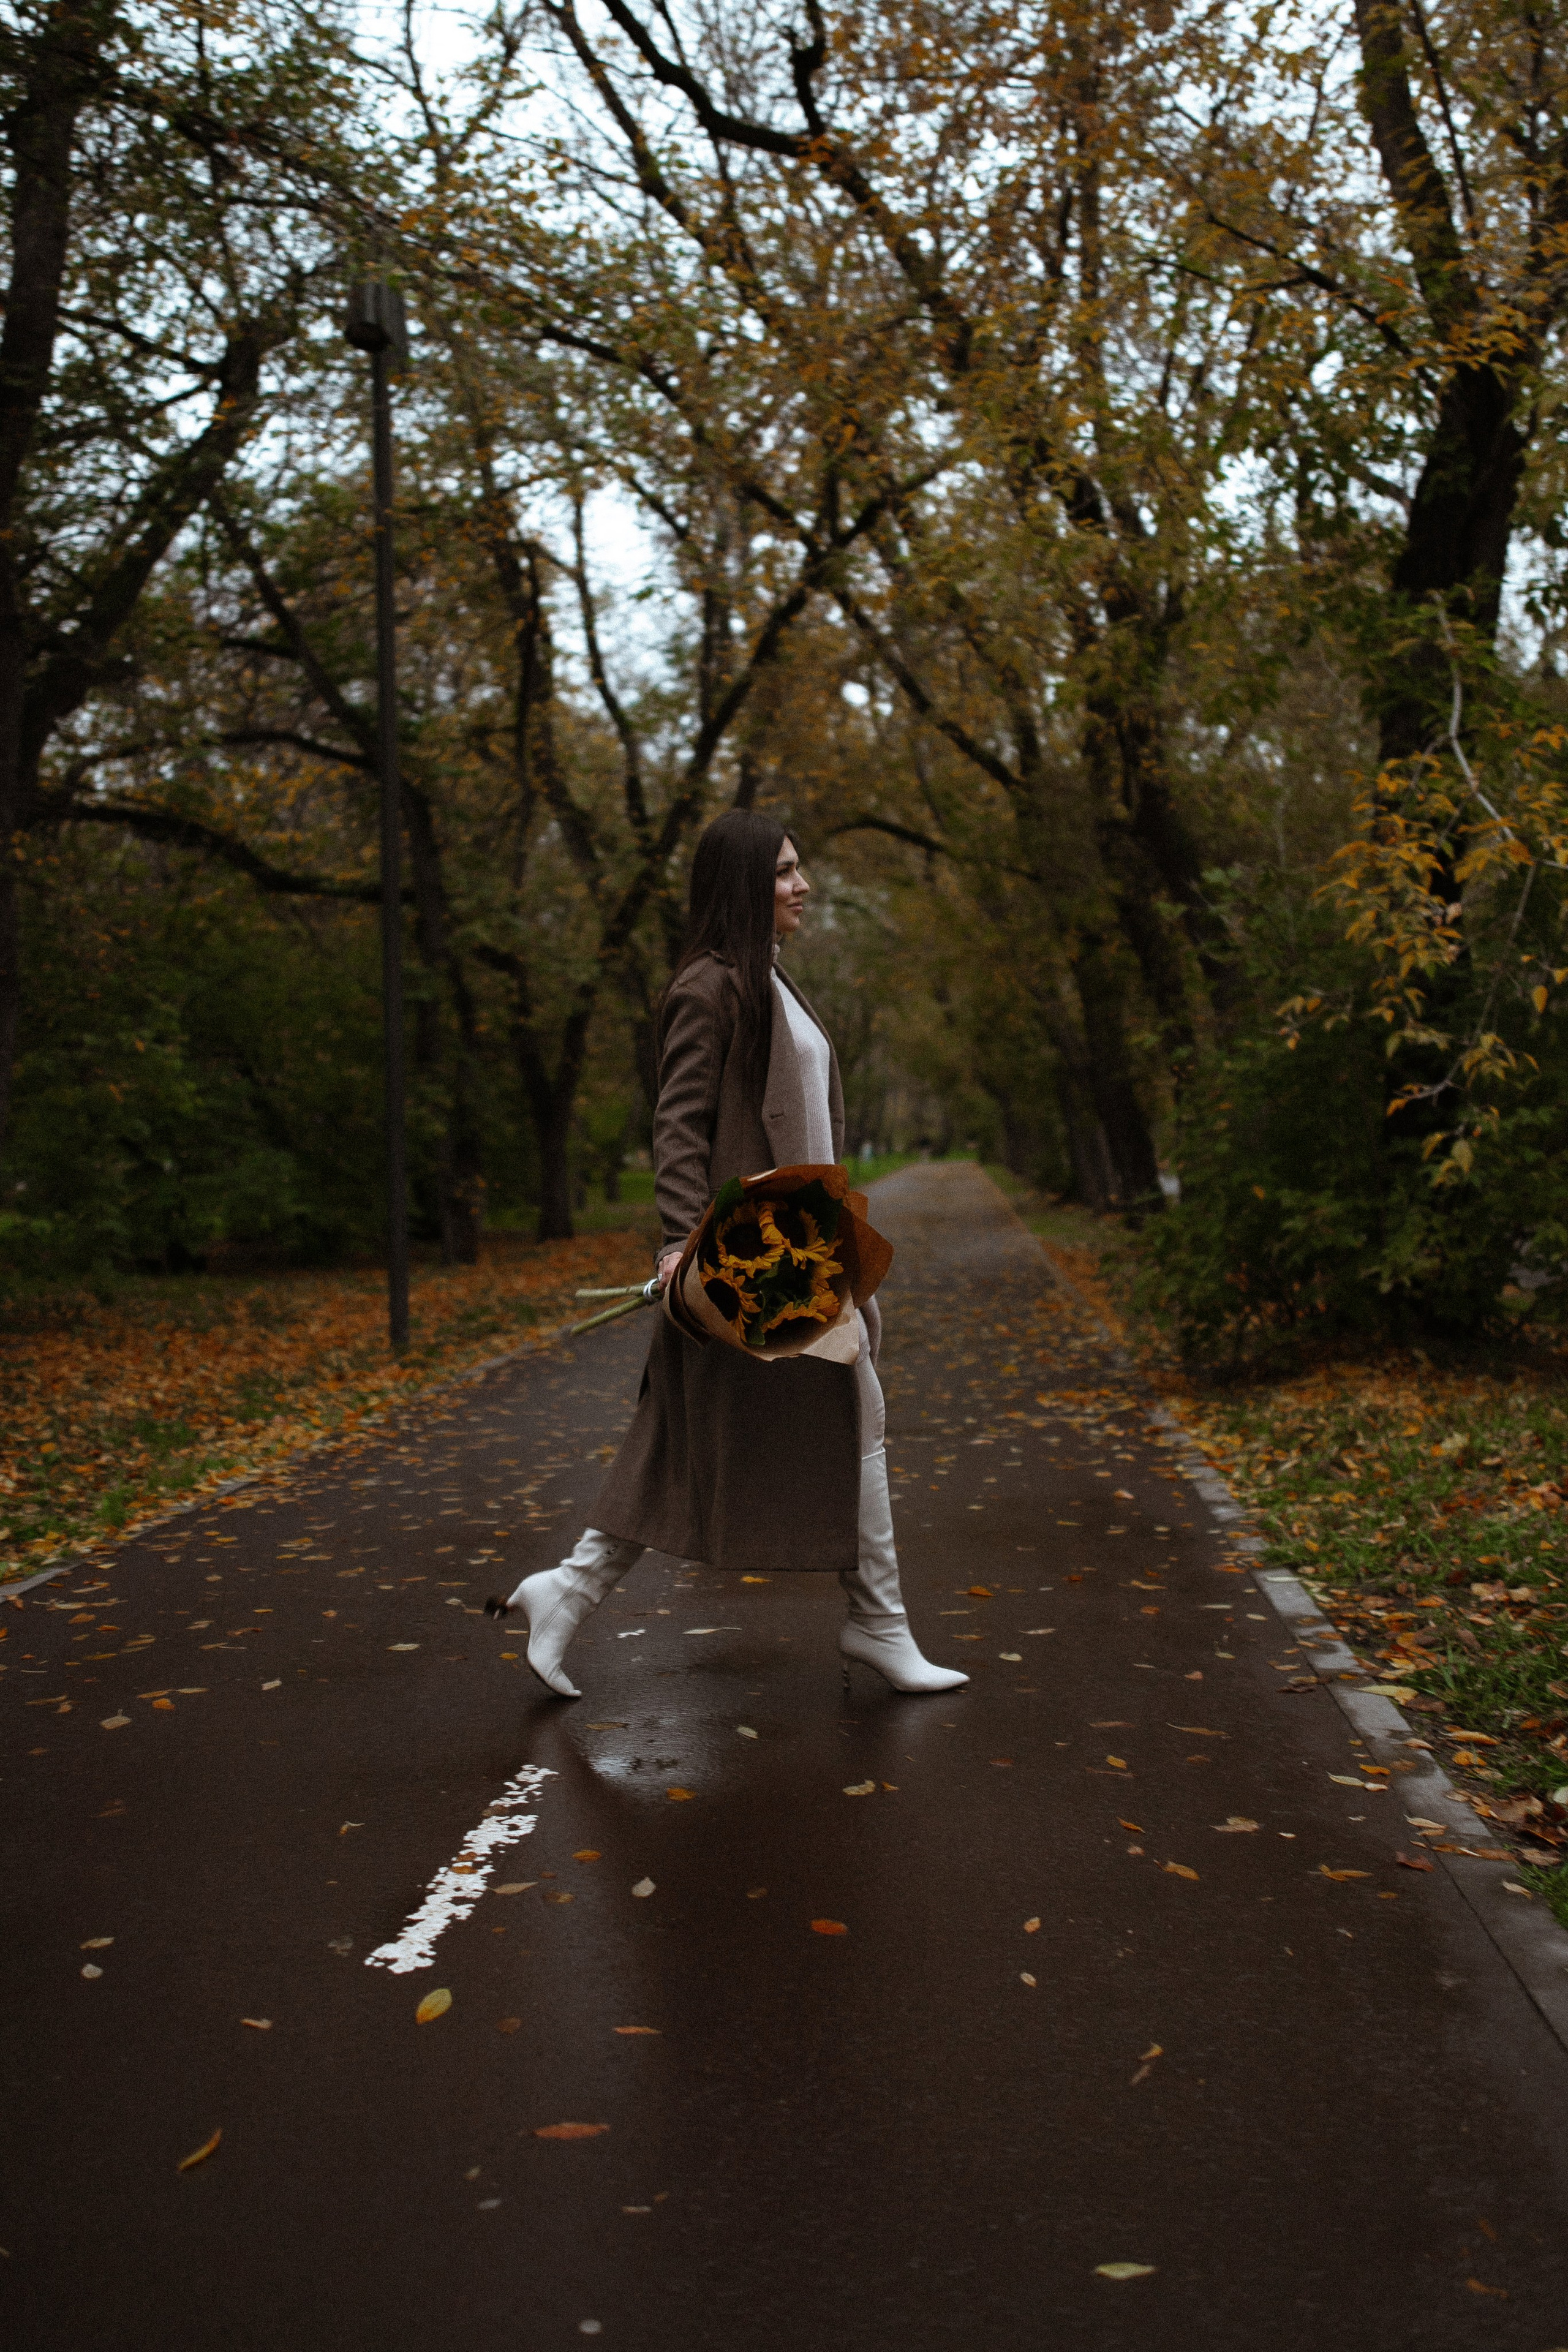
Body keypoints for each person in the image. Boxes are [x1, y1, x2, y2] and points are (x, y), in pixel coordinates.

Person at [488, 810, 966, 1702]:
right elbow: (677, 1126)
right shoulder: (708, 988)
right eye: (784, 871)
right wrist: (681, 1245)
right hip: (754, 1262)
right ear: (745, 883)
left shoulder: (771, 979)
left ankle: (568, 1591)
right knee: (816, 1417)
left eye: (800, 868)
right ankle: (878, 1624)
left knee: (684, 1432)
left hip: (800, 1250)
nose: (802, 886)